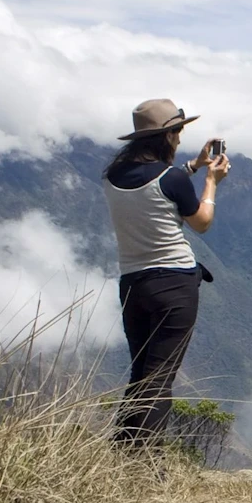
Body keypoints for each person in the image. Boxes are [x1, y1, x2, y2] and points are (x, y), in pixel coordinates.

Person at [101, 98, 230, 448]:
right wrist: (211, 181)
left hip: (133, 285)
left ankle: (123, 451)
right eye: (178, 131)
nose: (178, 138)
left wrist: (193, 166)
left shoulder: (113, 177)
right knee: (160, 379)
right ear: (167, 135)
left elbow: (153, 189)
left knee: (142, 374)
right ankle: (146, 465)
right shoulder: (170, 178)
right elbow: (201, 222)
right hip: (174, 285)